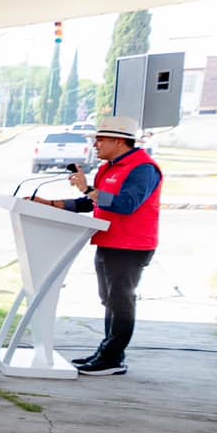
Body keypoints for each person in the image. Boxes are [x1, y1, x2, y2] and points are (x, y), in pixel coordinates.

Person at [32, 115, 162, 376]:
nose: (96, 145)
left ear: (118, 140)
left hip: (131, 245)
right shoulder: (108, 167)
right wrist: (51, 204)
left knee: (121, 301)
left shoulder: (143, 168)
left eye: (100, 140)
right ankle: (107, 352)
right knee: (109, 300)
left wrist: (87, 189)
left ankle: (112, 358)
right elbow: (93, 203)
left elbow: (127, 204)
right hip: (107, 240)